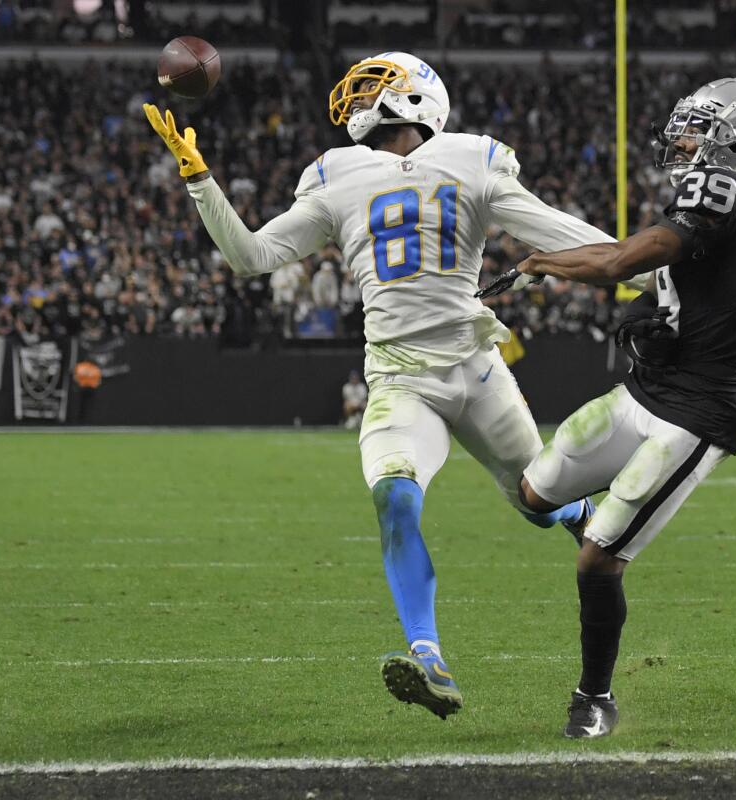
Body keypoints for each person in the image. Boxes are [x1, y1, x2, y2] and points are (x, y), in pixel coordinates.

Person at [144, 51, 632, 719]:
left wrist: (642, 269)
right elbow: (250, 256)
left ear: (418, 96)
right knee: (394, 502)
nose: (358, 99)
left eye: (374, 85)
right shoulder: (338, 176)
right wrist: (200, 179)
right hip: (401, 379)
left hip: (477, 370)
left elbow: (562, 231)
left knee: (536, 500)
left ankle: (576, 516)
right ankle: (427, 655)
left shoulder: (472, 160)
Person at [483, 78, 736, 738]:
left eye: (698, 128)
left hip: (697, 411)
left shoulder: (725, 188)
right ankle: (602, 519)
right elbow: (637, 262)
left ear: (735, 141)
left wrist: (556, 268)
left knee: (597, 560)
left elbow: (621, 260)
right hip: (650, 389)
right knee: (533, 493)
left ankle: (594, 697)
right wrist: (545, 259)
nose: (681, 139)